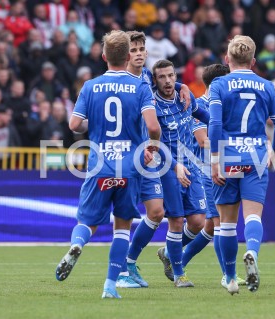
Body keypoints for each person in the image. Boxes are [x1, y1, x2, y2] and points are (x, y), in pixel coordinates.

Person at [55, 30, 161, 299]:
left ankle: (77, 245)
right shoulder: (139, 87)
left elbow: (74, 125)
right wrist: (150, 147)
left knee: (86, 220)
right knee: (122, 227)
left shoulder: (90, 86)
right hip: (129, 166)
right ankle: (110, 286)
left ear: (104, 56)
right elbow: (153, 127)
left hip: (100, 164)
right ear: (127, 57)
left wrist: (98, 123)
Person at [209, 35, 275, 295]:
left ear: (227, 59)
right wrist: (273, 153)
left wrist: (216, 159)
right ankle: (252, 252)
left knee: (227, 224)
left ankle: (230, 279)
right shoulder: (266, 85)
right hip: (255, 156)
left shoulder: (219, 84)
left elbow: (216, 124)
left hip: (228, 156)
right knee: (253, 216)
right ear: (253, 61)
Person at [115, 30, 192, 289]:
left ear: (146, 53)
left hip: (149, 155)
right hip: (124, 154)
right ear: (124, 54)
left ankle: (129, 262)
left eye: (140, 50)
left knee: (157, 212)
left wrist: (183, 87)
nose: (137, 54)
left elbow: (167, 82)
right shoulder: (118, 80)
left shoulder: (148, 77)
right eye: (132, 50)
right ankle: (115, 270)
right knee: (120, 212)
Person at [183, 63, 246, 289]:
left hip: (225, 167)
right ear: (218, 83)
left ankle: (176, 259)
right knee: (220, 223)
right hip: (207, 170)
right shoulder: (199, 105)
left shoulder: (224, 104)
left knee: (210, 226)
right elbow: (201, 139)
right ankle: (227, 274)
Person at [151, 59, 210, 288]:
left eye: (171, 76)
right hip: (168, 167)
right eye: (162, 77)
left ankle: (167, 251)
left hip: (192, 165)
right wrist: (175, 165)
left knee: (197, 222)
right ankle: (179, 274)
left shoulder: (185, 97)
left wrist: (223, 126)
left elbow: (203, 115)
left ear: (176, 77)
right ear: (155, 80)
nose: (167, 81)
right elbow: (153, 141)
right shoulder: (152, 106)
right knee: (175, 220)